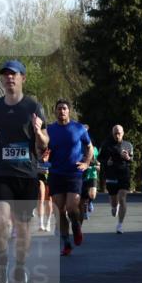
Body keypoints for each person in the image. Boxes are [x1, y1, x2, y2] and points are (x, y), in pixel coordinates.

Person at [0, 60, 48, 283]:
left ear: (23, 78)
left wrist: (38, 132)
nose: (9, 78)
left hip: (27, 176)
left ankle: (19, 268)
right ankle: (2, 258)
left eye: (14, 75)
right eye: (5, 75)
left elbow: (45, 143)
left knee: (23, 227)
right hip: (2, 173)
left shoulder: (33, 107)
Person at [45, 100, 92, 256]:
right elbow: (43, 148)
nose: (62, 111)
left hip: (74, 172)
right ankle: (66, 243)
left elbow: (89, 146)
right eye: (59, 109)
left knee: (72, 207)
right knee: (59, 210)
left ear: (69, 111)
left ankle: (76, 226)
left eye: (64, 109)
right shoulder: (50, 129)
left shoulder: (78, 128)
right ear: (55, 111)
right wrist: (43, 155)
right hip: (56, 172)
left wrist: (86, 162)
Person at [101, 125, 134, 233]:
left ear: (123, 133)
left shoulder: (128, 145)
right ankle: (114, 207)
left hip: (124, 174)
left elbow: (131, 158)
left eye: (119, 133)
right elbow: (100, 158)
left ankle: (120, 225)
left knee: (122, 198)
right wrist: (107, 162)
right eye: (115, 133)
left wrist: (128, 158)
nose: (117, 135)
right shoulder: (106, 145)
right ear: (112, 133)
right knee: (114, 202)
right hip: (111, 175)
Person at [80, 125, 100, 221]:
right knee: (83, 196)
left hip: (92, 173)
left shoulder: (95, 149)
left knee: (92, 195)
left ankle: (90, 201)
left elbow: (98, 161)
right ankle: (84, 212)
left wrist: (98, 165)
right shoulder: (79, 148)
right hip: (82, 173)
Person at [36, 148, 52, 232]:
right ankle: (41, 223)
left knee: (48, 201)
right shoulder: (36, 153)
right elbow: (32, 167)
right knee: (41, 199)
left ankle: (48, 222)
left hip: (50, 179)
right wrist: (40, 170)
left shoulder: (52, 155)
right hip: (40, 178)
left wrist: (48, 171)